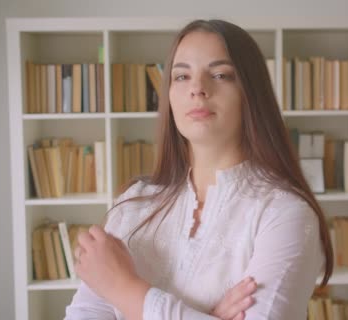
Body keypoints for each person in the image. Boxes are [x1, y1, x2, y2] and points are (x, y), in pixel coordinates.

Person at [64, 19, 333, 320]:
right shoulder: (132, 205)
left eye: (220, 74)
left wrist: (123, 288)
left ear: (252, 93)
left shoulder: (285, 213)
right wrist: (206, 315)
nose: (197, 88)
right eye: (181, 76)